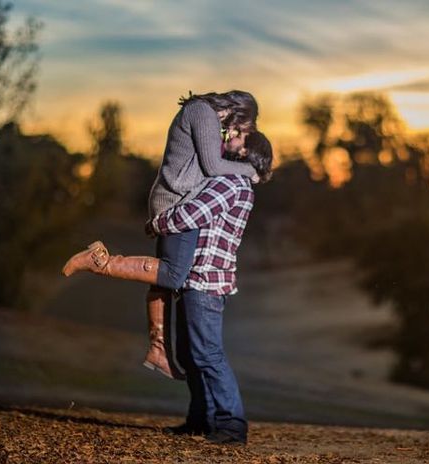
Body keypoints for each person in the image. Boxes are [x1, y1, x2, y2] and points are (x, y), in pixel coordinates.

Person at [63, 132, 273, 445]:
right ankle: (200, 420)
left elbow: (192, 214)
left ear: (246, 152)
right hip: (196, 279)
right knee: (190, 353)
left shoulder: (232, 183)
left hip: (206, 281)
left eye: (239, 137)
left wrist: (158, 224)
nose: (231, 135)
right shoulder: (228, 180)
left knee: (208, 354)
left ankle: (232, 425)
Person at [63, 90, 259, 379]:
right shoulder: (203, 112)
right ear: (238, 113)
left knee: (163, 283)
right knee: (173, 275)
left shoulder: (204, 116)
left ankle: (159, 351)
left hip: (174, 200)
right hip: (176, 202)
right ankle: (100, 261)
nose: (237, 134)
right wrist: (250, 170)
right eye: (242, 127)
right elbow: (214, 167)